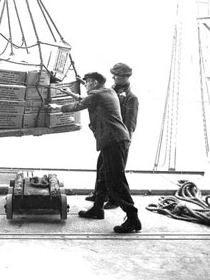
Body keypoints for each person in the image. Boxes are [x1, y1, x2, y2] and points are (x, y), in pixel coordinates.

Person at [48, 71, 141, 233]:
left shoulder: (97, 95)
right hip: (113, 140)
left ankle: (133, 218)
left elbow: (79, 105)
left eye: (88, 82)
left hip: (113, 140)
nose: (86, 85)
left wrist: (57, 107)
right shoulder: (108, 91)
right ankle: (97, 209)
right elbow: (88, 101)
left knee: (115, 180)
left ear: (96, 83)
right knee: (103, 175)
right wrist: (71, 93)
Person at [87, 63, 139, 209]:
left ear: (125, 77)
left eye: (116, 75)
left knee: (114, 173)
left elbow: (131, 123)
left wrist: (127, 141)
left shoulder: (131, 97)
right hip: (108, 138)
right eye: (113, 75)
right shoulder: (110, 90)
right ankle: (98, 197)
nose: (113, 77)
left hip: (118, 139)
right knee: (102, 168)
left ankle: (113, 200)